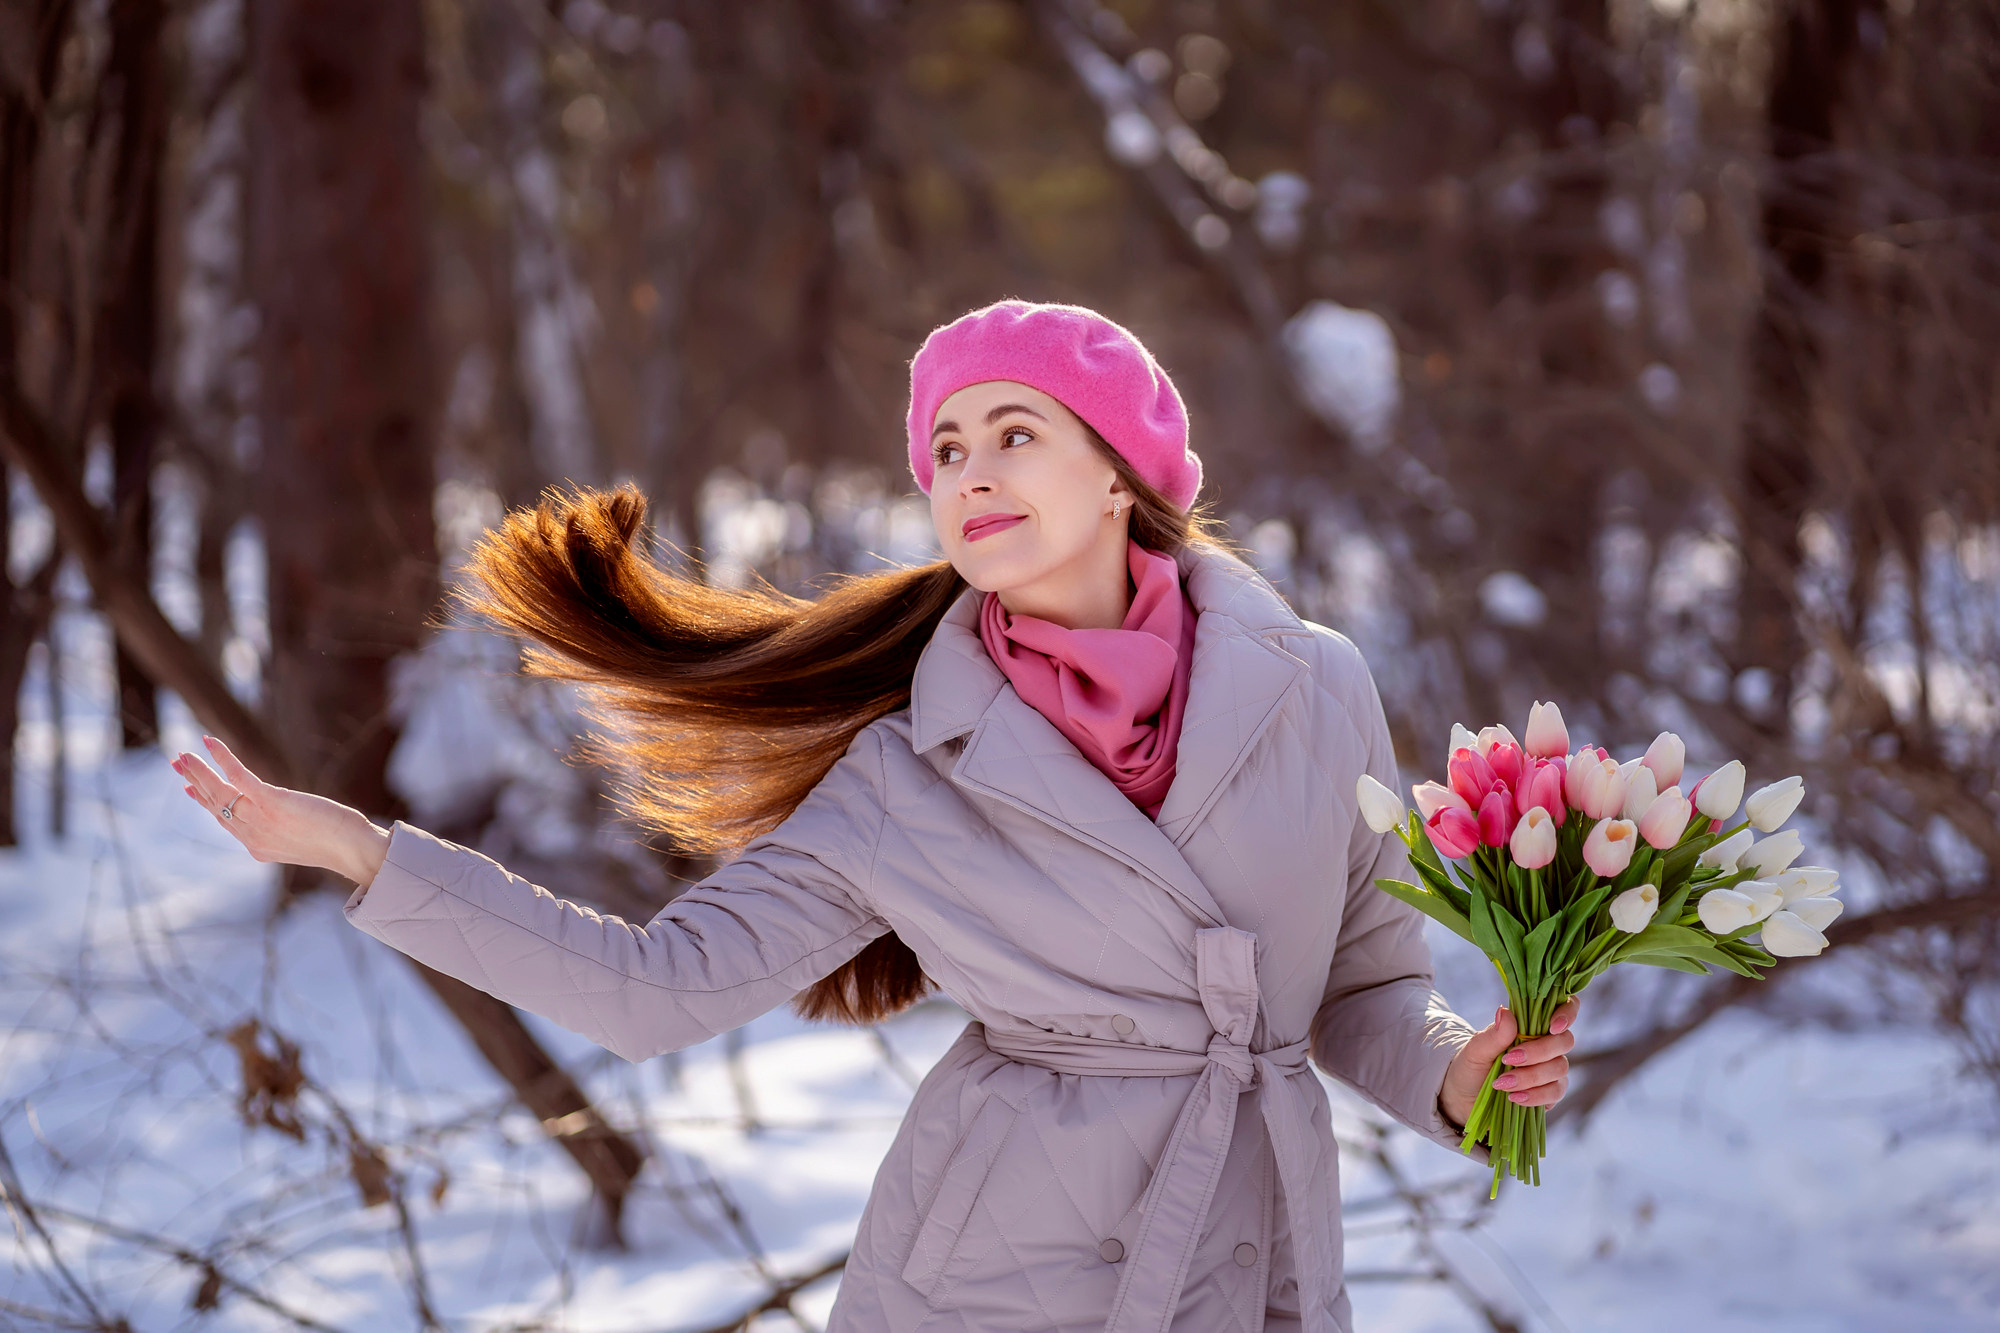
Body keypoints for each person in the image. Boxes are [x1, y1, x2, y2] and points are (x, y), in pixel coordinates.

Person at [172, 298, 1579, 1332]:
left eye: (1012, 433)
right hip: (998, 1276)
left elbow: (1365, 982)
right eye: (946, 447)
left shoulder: (1315, 684)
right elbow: (657, 989)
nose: (969, 471)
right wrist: (367, 856)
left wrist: (1465, 1074)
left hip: (1257, 1255)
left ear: (1121, 472)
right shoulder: (910, 770)